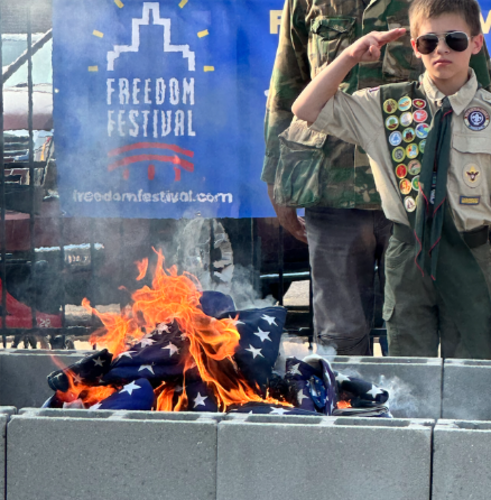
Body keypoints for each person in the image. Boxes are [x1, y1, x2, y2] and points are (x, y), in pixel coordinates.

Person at [262, 0, 491, 356]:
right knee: (340, 336)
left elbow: (475, 85)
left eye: (452, 41)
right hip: (333, 188)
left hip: (424, 203)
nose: (440, 47)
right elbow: (288, 87)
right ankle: (350, 410)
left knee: (429, 340)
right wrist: (277, 173)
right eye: (428, 42)